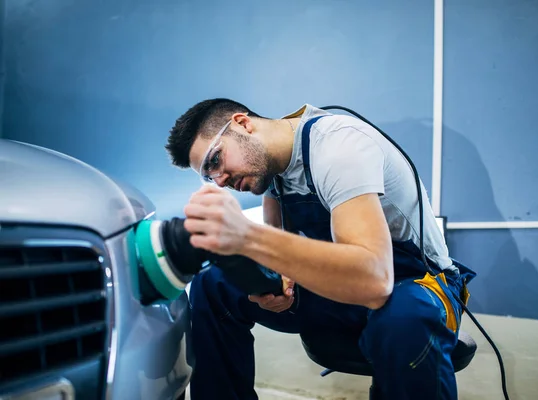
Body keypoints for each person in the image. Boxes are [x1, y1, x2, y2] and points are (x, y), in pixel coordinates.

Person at [165, 98, 476, 400]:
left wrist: (246, 235)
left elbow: (374, 283)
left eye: (215, 161)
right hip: (344, 290)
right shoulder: (269, 171)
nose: (220, 181)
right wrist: (276, 285)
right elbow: (280, 255)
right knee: (214, 283)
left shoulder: (338, 147)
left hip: (417, 284)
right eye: (208, 176)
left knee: (403, 321)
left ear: (243, 124)